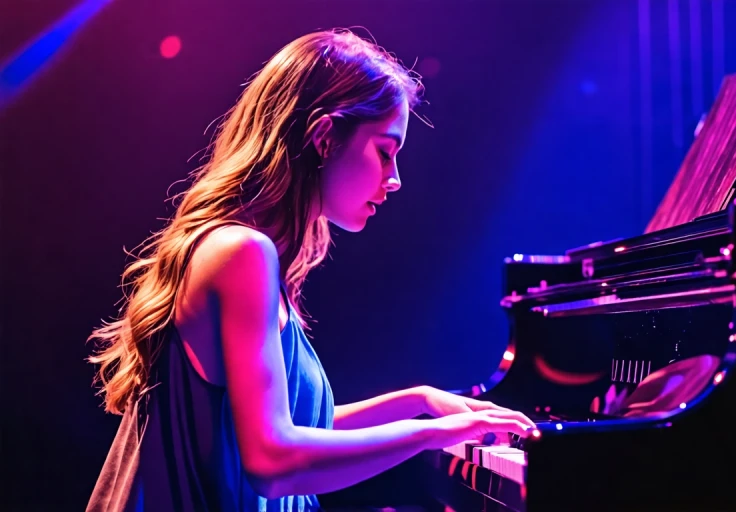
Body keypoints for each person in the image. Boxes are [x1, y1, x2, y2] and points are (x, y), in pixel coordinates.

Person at [85, 28, 535, 512]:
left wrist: (418, 401)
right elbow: (274, 462)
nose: (395, 178)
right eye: (385, 150)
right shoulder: (241, 252)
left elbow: (290, 428)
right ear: (324, 137)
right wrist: (433, 434)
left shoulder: (251, 253)